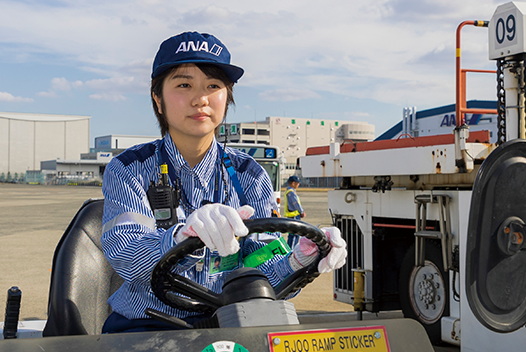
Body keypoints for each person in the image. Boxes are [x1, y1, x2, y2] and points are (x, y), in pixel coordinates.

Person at [99, 31, 347, 334]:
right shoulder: (129, 169)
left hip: (233, 324)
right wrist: (180, 238)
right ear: (158, 99)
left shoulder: (249, 175)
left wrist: (297, 260)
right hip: (148, 325)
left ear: (226, 97)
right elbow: (127, 255)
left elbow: (261, 269)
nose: (200, 99)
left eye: (213, 86)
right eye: (184, 84)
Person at [281, 175, 306, 248]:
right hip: (294, 216)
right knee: (294, 234)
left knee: (292, 234)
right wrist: (301, 212)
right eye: (297, 183)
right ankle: (291, 250)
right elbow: (296, 204)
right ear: (293, 183)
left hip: (291, 215)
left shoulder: (288, 191)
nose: (298, 184)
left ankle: (290, 249)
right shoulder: (291, 193)